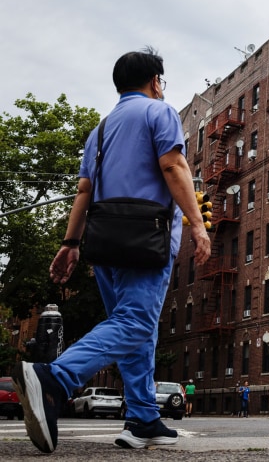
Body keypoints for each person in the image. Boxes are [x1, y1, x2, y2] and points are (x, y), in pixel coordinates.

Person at [12, 47, 211, 453]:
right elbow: (173, 167)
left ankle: (142, 417)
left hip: (103, 243)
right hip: (146, 239)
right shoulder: (161, 112)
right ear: (155, 81)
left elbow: (84, 190)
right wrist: (199, 225)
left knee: (135, 329)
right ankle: (55, 378)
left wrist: (70, 244)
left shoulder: (99, 131)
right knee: (137, 323)